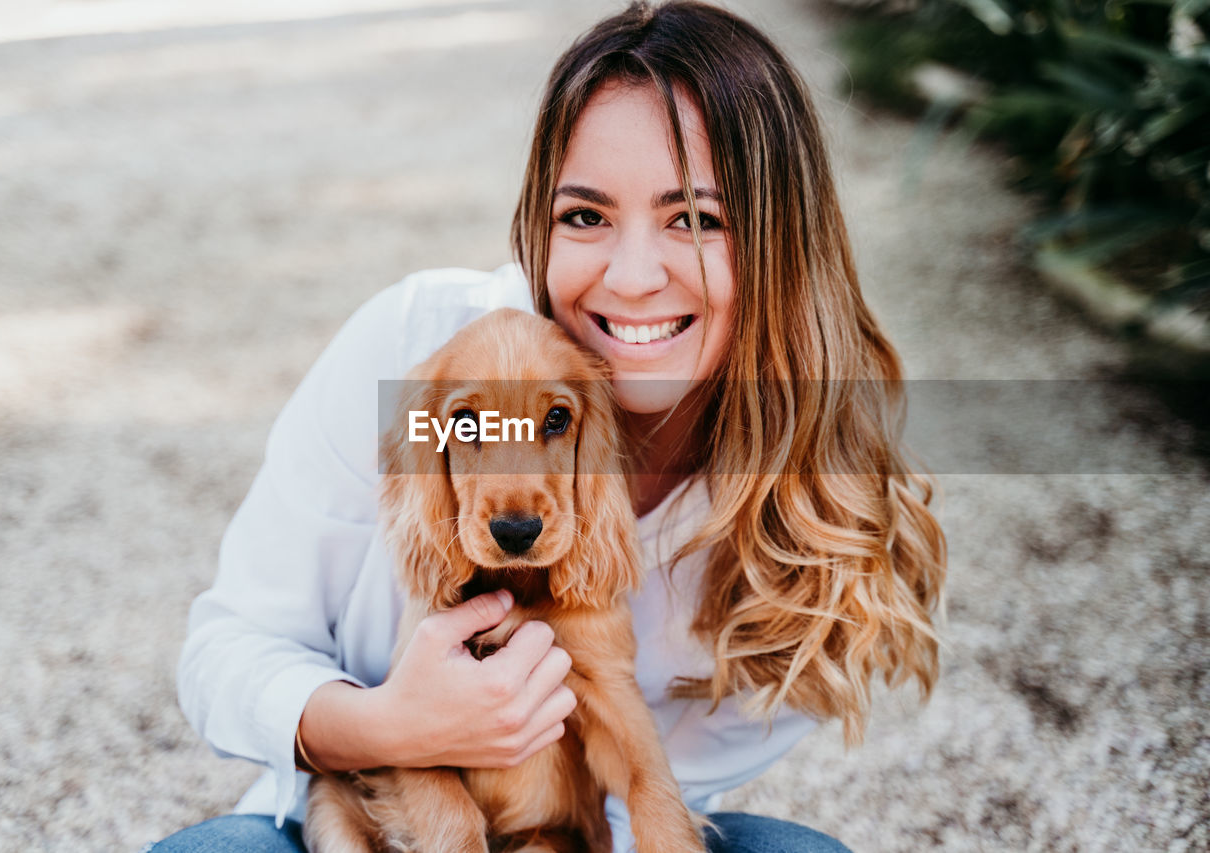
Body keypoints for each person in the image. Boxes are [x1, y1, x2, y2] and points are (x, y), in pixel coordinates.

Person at [151, 2, 946, 851]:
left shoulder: (805, 516)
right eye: (586, 216)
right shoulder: (414, 345)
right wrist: (393, 725)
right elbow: (228, 650)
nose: (633, 277)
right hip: (360, 819)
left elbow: (637, 788)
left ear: (781, 247)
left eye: (697, 219)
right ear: (539, 220)